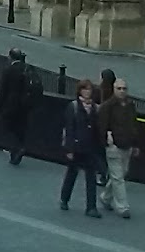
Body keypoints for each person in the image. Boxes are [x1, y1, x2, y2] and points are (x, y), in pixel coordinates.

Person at [96, 77, 140, 218]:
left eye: (124, 88)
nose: (122, 91)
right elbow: (102, 125)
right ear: (114, 89)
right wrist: (107, 141)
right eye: (119, 88)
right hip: (114, 145)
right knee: (118, 177)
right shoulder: (107, 106)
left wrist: (135, 144)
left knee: (121, 174)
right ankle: (122, 206)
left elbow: (134, 125)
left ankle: (106, 197)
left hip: (127, 145)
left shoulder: (130, 105)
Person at [59, 78, 103, 217]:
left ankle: (91, 207)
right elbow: (69, 128)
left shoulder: (95, 108)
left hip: (90, 147)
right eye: (84, 89)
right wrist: (69, 149)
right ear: (80, 91)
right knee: (72, 173)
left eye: (89, 89)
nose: (87, 92)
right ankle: (64, 199)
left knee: (91, 177)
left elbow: (98, 129)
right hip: (77, 146)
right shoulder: (73, 107)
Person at [0, 47, 39, 165]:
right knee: (21, 128)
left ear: (10, 57)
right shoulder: (27, 68)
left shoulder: (9, 70)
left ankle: (17, 149)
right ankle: (18, 150)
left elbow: (3, 91)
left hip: (11, 104)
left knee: (9, 127)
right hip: (25, 105)